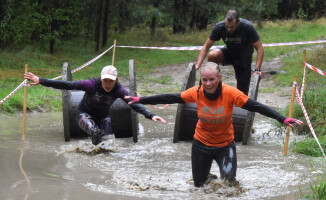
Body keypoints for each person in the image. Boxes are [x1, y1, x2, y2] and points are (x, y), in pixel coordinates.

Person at [125, 62, 303, 187]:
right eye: (204, 80)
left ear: (220, 78)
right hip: (200, 145)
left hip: (225, 146)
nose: (208, 84)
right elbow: (170, 97)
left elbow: (255, 106)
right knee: (199, 187)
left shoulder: (231, 94)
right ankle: (207, 176)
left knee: (229, 186)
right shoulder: (196, 92)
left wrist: (282, 118)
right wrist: (141, 99)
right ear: (201, 80)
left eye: (212, 79)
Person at [24, 65, 166, 145]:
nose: (108, 84)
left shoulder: (119, 90)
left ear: (116, 80)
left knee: (107, 143)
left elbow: (134, 104)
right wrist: (41, 80)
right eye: (105, 81)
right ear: (101, 78)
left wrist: (150, 115)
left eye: (111, 81)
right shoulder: (90, 84)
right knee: (94, 132)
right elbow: (66, 85)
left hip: (104, 118)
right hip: (84, 114)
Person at [196, 10, 264, 95]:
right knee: (213, 55)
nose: (229, 29)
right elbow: (206, 47)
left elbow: (260, 48)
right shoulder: (219, 27)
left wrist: (257, 69)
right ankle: (214, 84)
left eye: (232, 27)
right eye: (227, 26)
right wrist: (198, 64)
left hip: (244, 58)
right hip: (229, 53)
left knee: (242, 94)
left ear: (238, 22)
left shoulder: (247, 27)